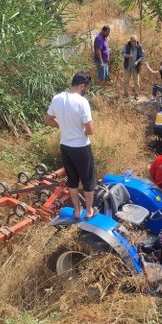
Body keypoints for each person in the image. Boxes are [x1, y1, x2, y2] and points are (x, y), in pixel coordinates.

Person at [44, 71, 95, 221]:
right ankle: (90, 210)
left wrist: (63, 127)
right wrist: (81, 131)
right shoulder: (82, 102)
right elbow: (90, 130)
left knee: (72, 179)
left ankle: (77, 211)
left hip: (65, 146)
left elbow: (48, 120)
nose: (86, 91)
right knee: (88, 180)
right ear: (81, 86)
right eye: (87, 88)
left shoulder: (57, 98)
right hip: (81, 147)